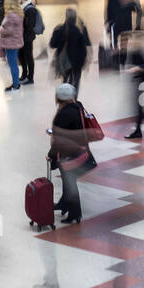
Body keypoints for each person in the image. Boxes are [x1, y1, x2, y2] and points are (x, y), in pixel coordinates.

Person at [48, 83, 94, 225]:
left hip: (69, 153)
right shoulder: (77, 106)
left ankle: (75, 214)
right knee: (67, 180)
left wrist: (51, 154)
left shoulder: (64, 114)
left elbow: (59, 139)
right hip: (79, 149)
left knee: (70, 182)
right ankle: (65, 203)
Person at [48, 7, 91, 93]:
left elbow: (52, 44)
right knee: (76, 81)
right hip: (78, 61)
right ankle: (74, 99)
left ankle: (65, 99)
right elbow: (87, 43)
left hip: (64, 60)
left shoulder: (59, 29)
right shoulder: (81, 30)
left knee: (65, 80)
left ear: (66, 17)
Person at [119, 30, 144, 140]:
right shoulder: (134, 51)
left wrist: (135, 69)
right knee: (138, 108)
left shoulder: (139, 51)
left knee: (139, 108)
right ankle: (138, 128)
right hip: (139, 83)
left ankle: (138, 130)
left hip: (142, 84)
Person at [0, 0, 25, 91]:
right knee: (13, 63)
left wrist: (0, 29)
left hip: (11, 43)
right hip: (15, 42)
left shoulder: (11, 15)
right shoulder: (18, 13)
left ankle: (15, 84)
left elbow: (8, 31)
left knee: (12, 64)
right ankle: (16, 83)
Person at [17, 0, 40, 86]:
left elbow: (30, 25)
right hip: (21, 36)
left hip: (27, 37)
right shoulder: (21, 6)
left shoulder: (30, 9)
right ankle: (24, 74)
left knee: (28, 57)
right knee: (21, 56)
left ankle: (30, 77)